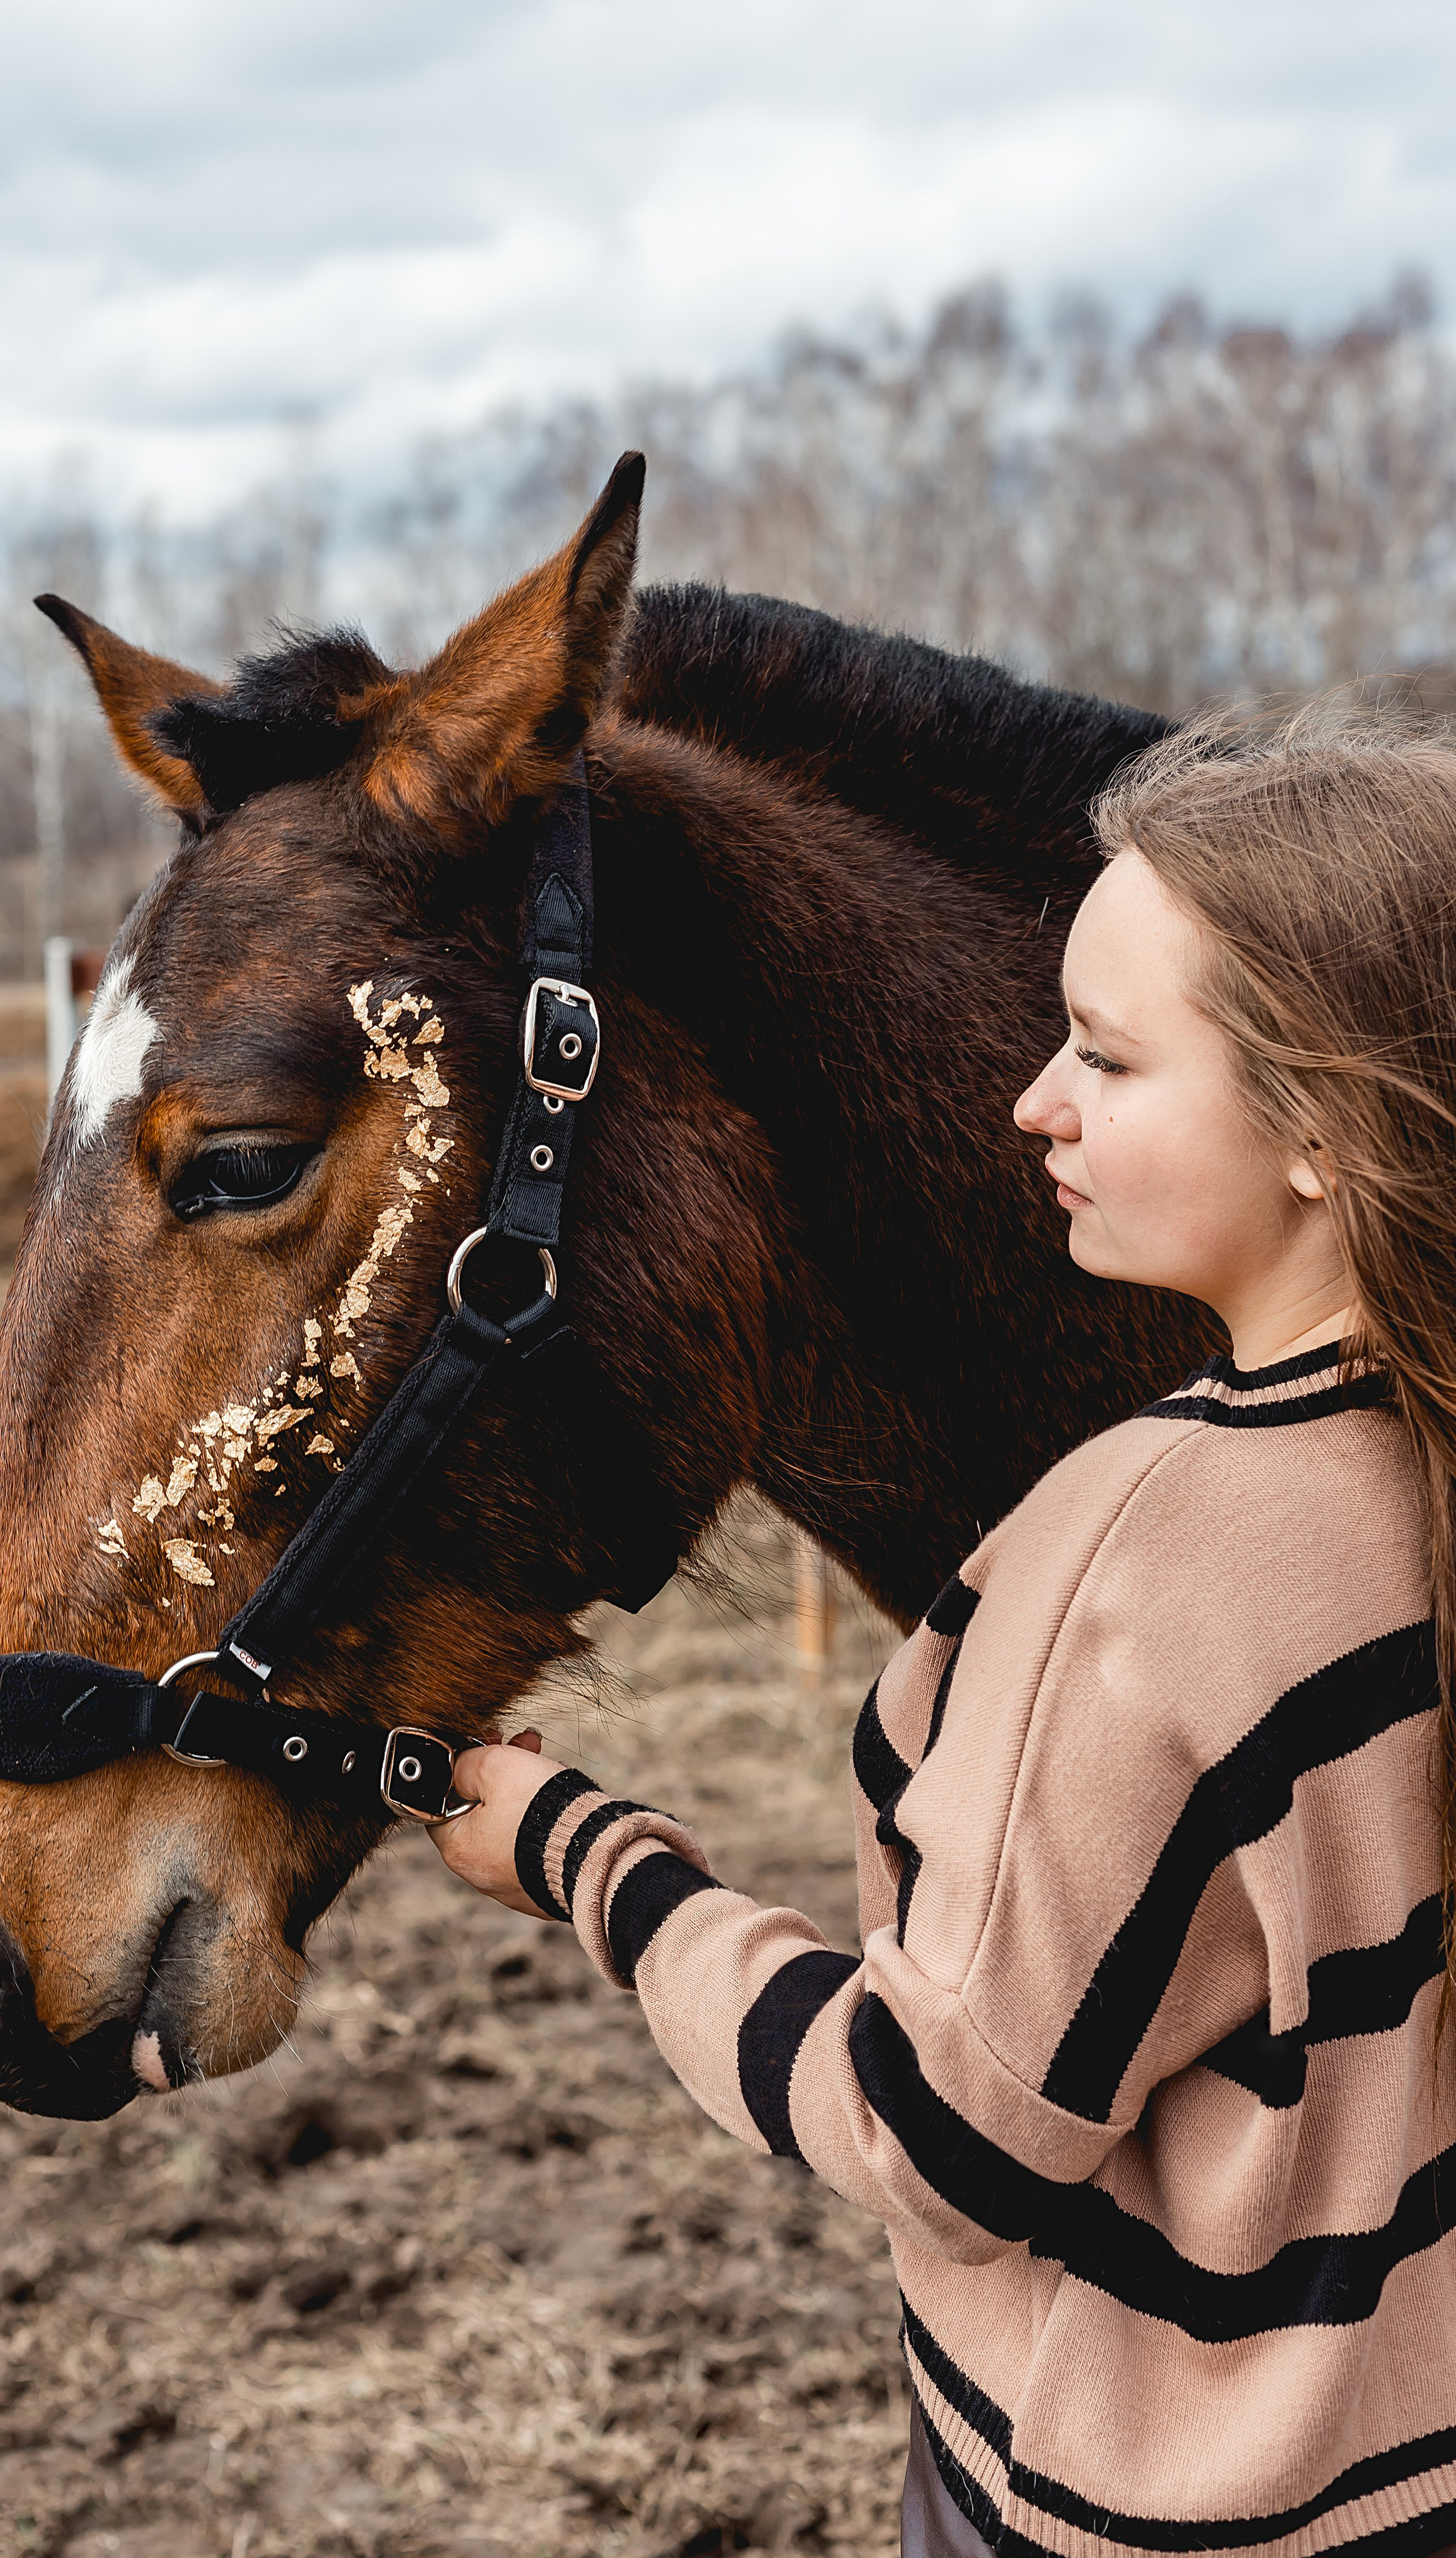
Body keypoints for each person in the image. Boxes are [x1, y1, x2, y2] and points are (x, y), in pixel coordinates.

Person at [432, 711, 1456, 2558]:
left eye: (1108, 1055)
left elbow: (942, 2136)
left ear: (1325, 1129)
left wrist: (590, 1861)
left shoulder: (1143, 1546)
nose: (1031, 1100)